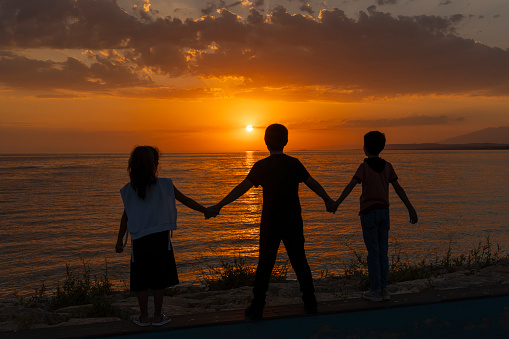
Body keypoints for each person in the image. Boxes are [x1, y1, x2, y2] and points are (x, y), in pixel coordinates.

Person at [209, 124, 334, 319]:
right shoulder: (294, 163)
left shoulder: (262, 166)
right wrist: (328, 200)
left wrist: (219, 205)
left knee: (265, 264)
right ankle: (310, 302)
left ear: (265, 142)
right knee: (300, 261)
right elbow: (313, 184)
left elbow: (241, 188)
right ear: (286, 141)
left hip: (271, 222)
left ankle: (257, 306)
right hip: (293, 220)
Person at [115, 146, 216, 327]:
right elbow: (186, 200)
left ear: (133, 165)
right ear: (155, 164)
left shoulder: (129, 190)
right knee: (158, 278)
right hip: (160, 238)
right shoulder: (165, 185)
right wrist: (205, 210)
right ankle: (157, 316)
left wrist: (119, 239)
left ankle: (144, 317)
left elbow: (126, 215)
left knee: (141, 279)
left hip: (139, 240)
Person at [328, 131, 418, 302]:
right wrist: (410, 208)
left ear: (365, 148)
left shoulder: (364, 167)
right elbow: (399, 188)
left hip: (369, 214)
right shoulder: (388, 166)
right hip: (384, 213)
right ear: (382, 147)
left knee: (373, 253)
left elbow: (351, 185)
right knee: (383, 253)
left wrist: (337, 203)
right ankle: (384, 289)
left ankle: (375, 289)